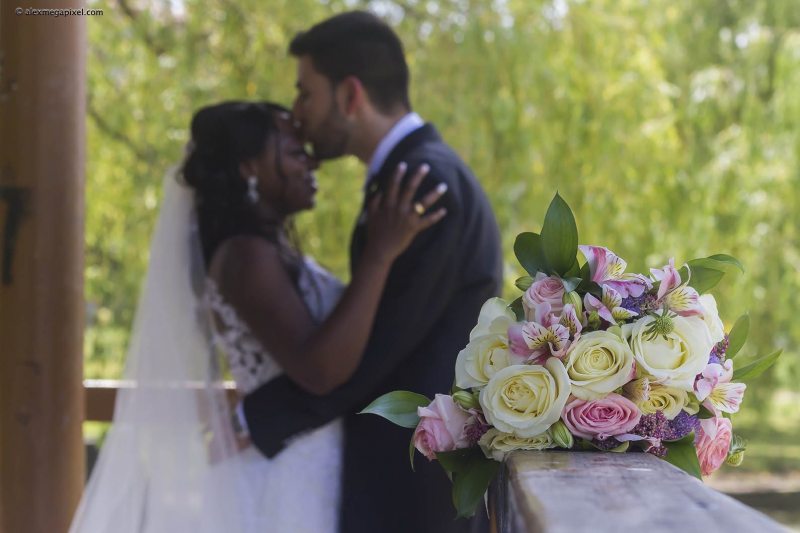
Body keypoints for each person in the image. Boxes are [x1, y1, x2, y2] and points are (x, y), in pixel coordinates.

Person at [69, 101, 447, 533]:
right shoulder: (245, 258)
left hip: (307, 462)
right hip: (282, 479)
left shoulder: (266, 251)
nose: (311, 160)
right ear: (250, 168)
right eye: (292, 151)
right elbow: (320, 370)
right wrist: (379, 257)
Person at [241, 11, 503, 533]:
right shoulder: (406, 176)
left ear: (350, 95)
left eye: (306, 93)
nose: (299, 113)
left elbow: (381, 347)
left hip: (415, 490)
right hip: (396, 481)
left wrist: (257, 419)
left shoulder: (425, 183)